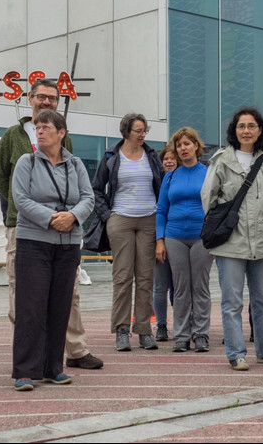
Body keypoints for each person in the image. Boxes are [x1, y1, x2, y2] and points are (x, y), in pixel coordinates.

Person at [0, 78, 102, 371]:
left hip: (65, 232)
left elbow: (79, 189)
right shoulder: (12, 136)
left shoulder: (65, 143)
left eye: (52, 98)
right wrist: (35, 213)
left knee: (68, 294)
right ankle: (30, 357)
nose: (46, 102)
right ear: (30, 98)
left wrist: (69, 216)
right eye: (41, 96)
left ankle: (75, 351)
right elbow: (2, 180)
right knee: (24, 295)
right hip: (23, 227)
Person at [201, 107, 263, 371]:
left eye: (252, 126)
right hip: (231, 241)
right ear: (234, 130)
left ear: (260, 130)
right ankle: (236, 353)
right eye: (241, 126)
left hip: (262, 241)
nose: (246, 130)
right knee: (232, 302)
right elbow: (208, 198)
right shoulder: (221, 160)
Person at [10, 109, 94, 391]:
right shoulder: (27, 162)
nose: (40, 131)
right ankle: (24, 371)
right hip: (34, 243)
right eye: (37, 128)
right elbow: (20, 199)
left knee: (60, 307)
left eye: (45, 127)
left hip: (68, 245)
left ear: (62, 133)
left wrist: (72, 217)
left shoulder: (76, 164)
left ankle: (52, 368)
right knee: (30, 308)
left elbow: (88, 197)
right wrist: (51, 218)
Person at [93, 113, 165, 352]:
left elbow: (161, 186)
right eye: (138, 130)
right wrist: (107, 216)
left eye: (145, 130)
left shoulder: (152, 155)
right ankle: (121, 330)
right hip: (121, 219)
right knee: (123, 276)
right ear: (126, 131)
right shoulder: (111, 155)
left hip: (148, 220)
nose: (142, 134)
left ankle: (144, 330)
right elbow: (96, 189)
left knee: (146, 278)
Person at [155, 128, 212, 353]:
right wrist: (160, 241)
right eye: (179, 145)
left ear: (196, 146)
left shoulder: (208, 173)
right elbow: (161, 210)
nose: (183, 148)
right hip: (174, 236)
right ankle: (181, 336)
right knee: (180, 288)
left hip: (201, 237)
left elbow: (216, 207)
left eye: (187, 144)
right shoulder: (170, 176)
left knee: (200, 287)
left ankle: (201, 335)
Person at [153, 145, 179, 342]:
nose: (168, 162)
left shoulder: (182, 179)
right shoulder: (156, 182)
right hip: (161, 237)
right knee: (160, 285)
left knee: (180, 286)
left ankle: (183, 323)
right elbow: (158, 212)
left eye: (172, 158)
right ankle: (161, 324)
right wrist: (158, 240)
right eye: (165, 159)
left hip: (180, 237)